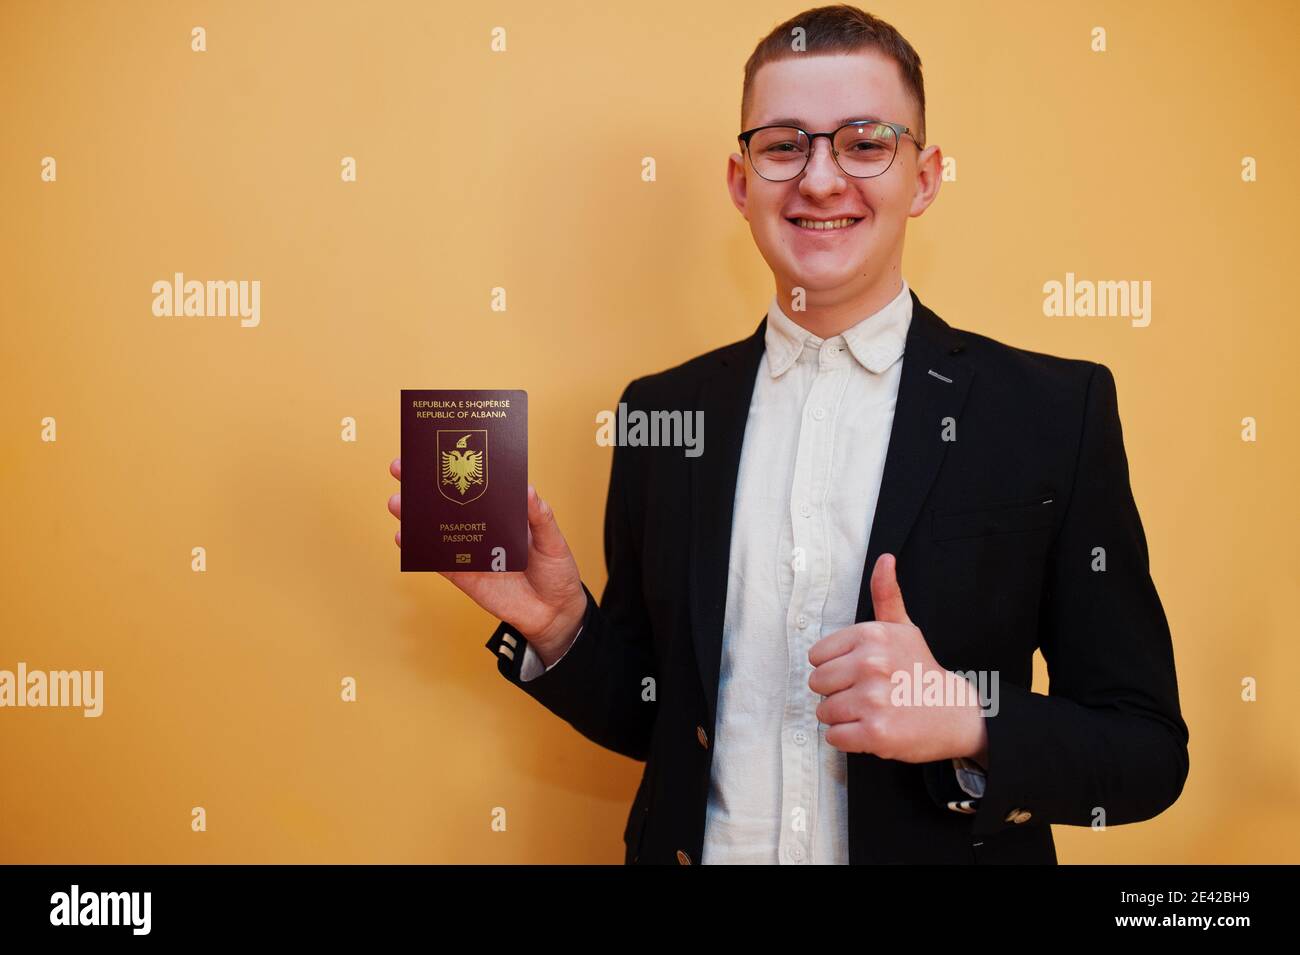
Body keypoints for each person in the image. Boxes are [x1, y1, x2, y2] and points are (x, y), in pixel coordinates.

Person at [387, 4, 1188, 864]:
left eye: (866, 140)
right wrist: (559, 625)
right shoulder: (660, 411)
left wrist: (965, 717)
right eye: (782, 144)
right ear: (741, 183)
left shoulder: (1053, 411)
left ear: (925, 177)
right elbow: (664, 722)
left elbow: (1145, 751)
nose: (819, 178)